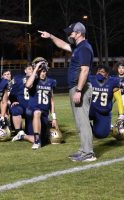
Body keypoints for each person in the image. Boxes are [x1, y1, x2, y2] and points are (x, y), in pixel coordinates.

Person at [39, 22, 96, 161]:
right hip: (76, 88)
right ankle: (83, 150)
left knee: (83, 122)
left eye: (71, 32)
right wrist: (51, 36)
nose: (69, 35)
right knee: (79, 122)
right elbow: (63, 45)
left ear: (79, 33)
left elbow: (85, 70)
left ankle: (88, 153)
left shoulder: (84, 48)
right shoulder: (78, 47)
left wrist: (78, 90)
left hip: (80, 88)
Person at [25, 57, 58, 149]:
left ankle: (23, 136)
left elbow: (51, 100)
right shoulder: (33, 80)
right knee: (37, 112)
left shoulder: (51, 82)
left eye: (44, 71)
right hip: (32, 111)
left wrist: (54, 118)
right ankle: (36, 141)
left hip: (44, 113)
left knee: (44, 140)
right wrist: (36, 69)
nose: (43, 73)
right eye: (41, 71)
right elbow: (27, 85)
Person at [89, 65, 124, 138]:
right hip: (91, 109)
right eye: (98, 71)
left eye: (102, 72)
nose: (99, 73)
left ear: (107, 74)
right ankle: (87, 126)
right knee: (80, 117)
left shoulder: (112, 82)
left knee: (100, 135)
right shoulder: (91, 79)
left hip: (103, 112)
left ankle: (106, 126)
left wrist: (121, 115)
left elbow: (119, 99)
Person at [10, 64, 34, 143]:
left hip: (32, 108)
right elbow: (12, 94)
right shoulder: (18, 79)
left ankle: (24, 135)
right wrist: (13, 100)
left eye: (32, 69)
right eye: (29, 69)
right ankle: (18, 132)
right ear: (25, 70)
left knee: (31, 133)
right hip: (22, 107)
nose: (31, 70)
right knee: (15, 109)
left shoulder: (37, 79)